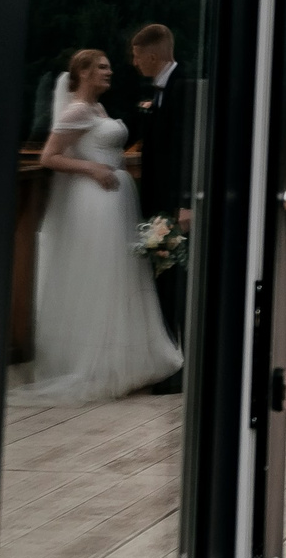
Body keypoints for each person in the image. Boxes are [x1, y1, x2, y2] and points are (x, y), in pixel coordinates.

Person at [11, 49, 181, 404]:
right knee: (101, 277)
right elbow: (49, 156)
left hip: (116, 203)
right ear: (84, 72)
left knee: (118, 279)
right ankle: (97, 361)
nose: (109, 72)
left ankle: (124, 356)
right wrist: (92, 169)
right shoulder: (75, 110)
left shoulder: (98, 110)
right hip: (94, 203)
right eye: (102, 68)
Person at [127, 23, 190, 395]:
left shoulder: (182, 87)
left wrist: (185, 202)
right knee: (164, 281)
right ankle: (170, 362)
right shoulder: (158, 90)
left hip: (173, 205)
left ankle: (180, 366)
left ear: (152, 55)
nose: (134, 63)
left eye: (136, 56)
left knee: (174, 283)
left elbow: (188, 146)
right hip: (157, 200)